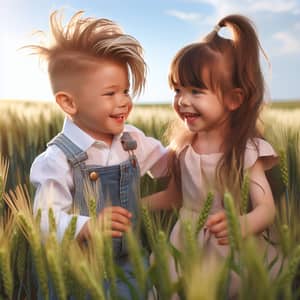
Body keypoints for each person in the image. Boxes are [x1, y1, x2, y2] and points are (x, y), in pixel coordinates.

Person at [29, 10, 168, 299]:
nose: (124, 102)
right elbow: (45, 220)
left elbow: (170, 163)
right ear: (69, 102)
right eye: (110, 93)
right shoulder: (56, 160)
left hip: (130, 266)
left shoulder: (132, 140)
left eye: (126, 91)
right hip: (78, 275)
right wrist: (87, 226)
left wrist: (202, 144)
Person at [145, 14, 280, 298]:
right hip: (186, 246)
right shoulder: (182, 149)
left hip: (229, 245)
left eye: (196, 91)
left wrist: (242, 224)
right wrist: (135, 204)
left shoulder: (245, 151)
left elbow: (266, 209)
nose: (182, 100)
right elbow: (176, 196)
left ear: (233, 99)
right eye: (177, 89)